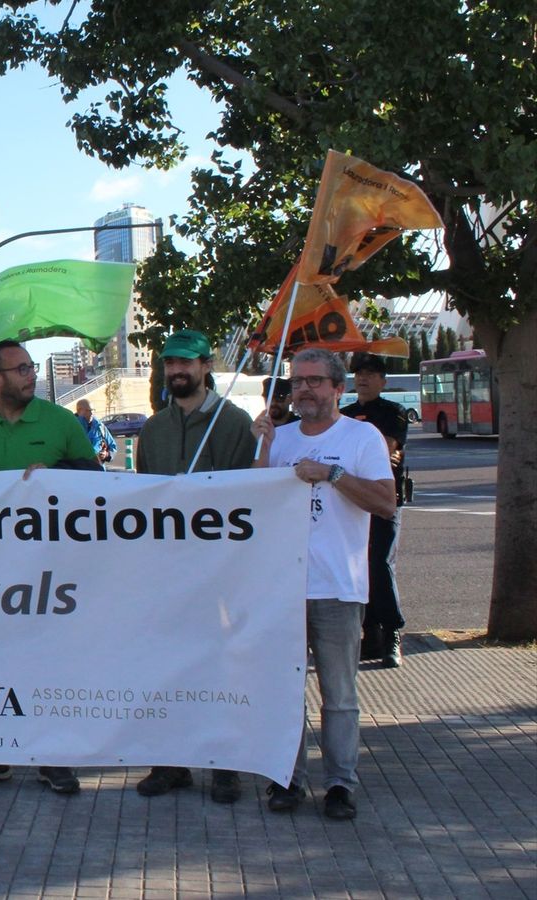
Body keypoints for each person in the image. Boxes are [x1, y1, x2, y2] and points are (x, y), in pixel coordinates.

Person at [0, 340, 98, 797]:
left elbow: (95, 482)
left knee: (49, 663)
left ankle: (55, 758)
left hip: (51, 572)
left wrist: (60, 475)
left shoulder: (61, 421)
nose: (31, 375)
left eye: (31, 367)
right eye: (21, 369)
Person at [252, 347, 395, 820]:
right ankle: (287, 780)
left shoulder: (362, 437)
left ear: (338, 388)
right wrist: (263, 448)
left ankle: (340, 784)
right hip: (284, 589)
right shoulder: (281, 437)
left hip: (336, 587)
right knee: (285, 693)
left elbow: (384, 502)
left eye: (314, 380)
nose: (304, 389)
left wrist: (332, 474)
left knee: (339, 696)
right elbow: (253, 508)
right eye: (297, 382)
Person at [130, 329, 257, 803]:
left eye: (187, 363)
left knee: (221, 666)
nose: (177, 371)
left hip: (221, 569)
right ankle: (171, 761)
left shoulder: (235, 424)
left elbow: (252, 496)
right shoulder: (154, 429)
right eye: (170, 363)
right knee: (167, 664)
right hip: (167, 570)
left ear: (206, 366)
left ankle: (226, 765)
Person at [341, 354, 409, 668]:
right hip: (349, 498)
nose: (363, 379)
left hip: (382, 498)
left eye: (370, 374)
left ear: (383, 380)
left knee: (380, 563)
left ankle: (392, 632)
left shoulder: (393, 412)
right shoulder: (344, 414)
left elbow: (387, 446)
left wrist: (379, 447)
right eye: (359, 374)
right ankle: (368, 634)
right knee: (355, 566)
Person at [75, 399, 117, 466]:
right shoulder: (72, 427)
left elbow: (113, 446)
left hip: (98, 470)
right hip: (78, 470)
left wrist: (106, 454)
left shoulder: (100, 427)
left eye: (93, 410)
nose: (92, 413)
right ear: (79, 411)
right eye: (88, 410)